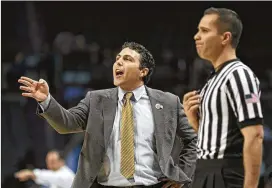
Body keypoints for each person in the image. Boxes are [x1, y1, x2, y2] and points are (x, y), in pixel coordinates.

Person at [18, 42, 198, 188]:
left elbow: (192, 140)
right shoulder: (96, 100)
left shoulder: (168, 102)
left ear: (143, 71)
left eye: (127, 59)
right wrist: (46, 100)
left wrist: (182, 175)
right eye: (117, 59)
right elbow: (67, 123)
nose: (118, 62)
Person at [183, 7, 264, 188]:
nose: (196, 36)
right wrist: (194, 122)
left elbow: (255, 135)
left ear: (225, 38)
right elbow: (215, 143)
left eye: (204, 31)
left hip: (225, 174)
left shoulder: (239, 74)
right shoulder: (213, 79)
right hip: (204, 170)